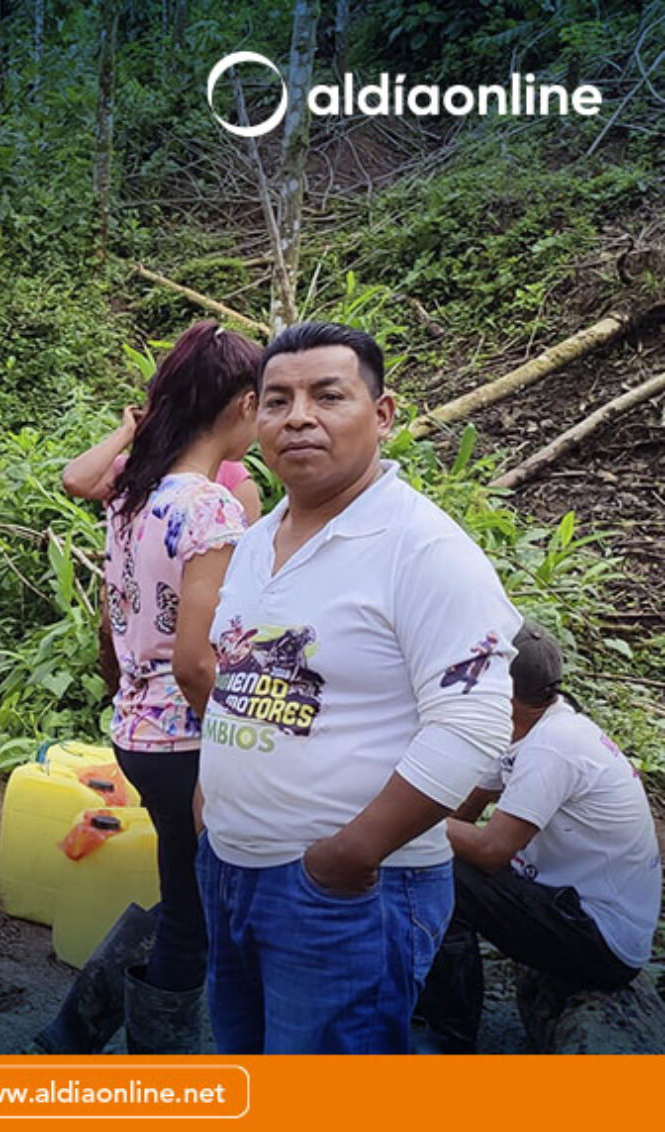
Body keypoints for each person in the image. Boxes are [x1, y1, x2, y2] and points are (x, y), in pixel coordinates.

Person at [196, 321, 518, 1054]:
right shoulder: (257, 539)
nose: (298, 416)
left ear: (383, 414)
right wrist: (209, 809)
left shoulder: (425, 550)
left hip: (343, 895)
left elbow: (471, 726)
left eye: (327, 395)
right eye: (276, 401)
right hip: (231, 869)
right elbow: (235, 673)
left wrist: (347, 857)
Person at [34, 322, 261, 1055]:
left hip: (137, 729)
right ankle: (153, 1069)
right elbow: (199, 663)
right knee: (198, 920)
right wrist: (238, 746)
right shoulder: (211, 509)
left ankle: (71, 1035)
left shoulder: (137, 494)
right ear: (240, 405)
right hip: (189, 735)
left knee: (184, 897)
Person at [416, 621, 661, 1053]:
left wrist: (410, 820)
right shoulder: (527, 727)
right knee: (431, 860)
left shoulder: (553, 746)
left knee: (449, 875)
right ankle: (424, 999)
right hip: (569, 904)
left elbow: (490, 851)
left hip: (602, 938)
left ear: (504, 694)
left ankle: (448, 1039)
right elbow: (465, 811)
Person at [63, 405, 264, 523]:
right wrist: (125, 433)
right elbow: (75, 480)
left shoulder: (231, 475)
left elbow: (248, 560)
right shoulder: (133, 470)